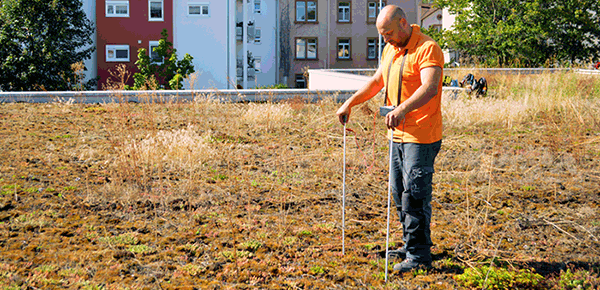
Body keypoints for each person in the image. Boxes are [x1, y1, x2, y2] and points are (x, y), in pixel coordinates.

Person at [335, 5, 444, 273]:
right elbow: (377, 81)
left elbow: (429, 87)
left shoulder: (428, 48)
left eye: (389, 34)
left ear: (404, 24)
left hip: (421, 135)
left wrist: (402, 109)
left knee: (415, 194)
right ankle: (412, 245)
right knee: (399, 192)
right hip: (396, 135)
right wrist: (350, 103)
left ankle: (419, 257)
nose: (386, 40)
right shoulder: (391, 50)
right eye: (383, 35)